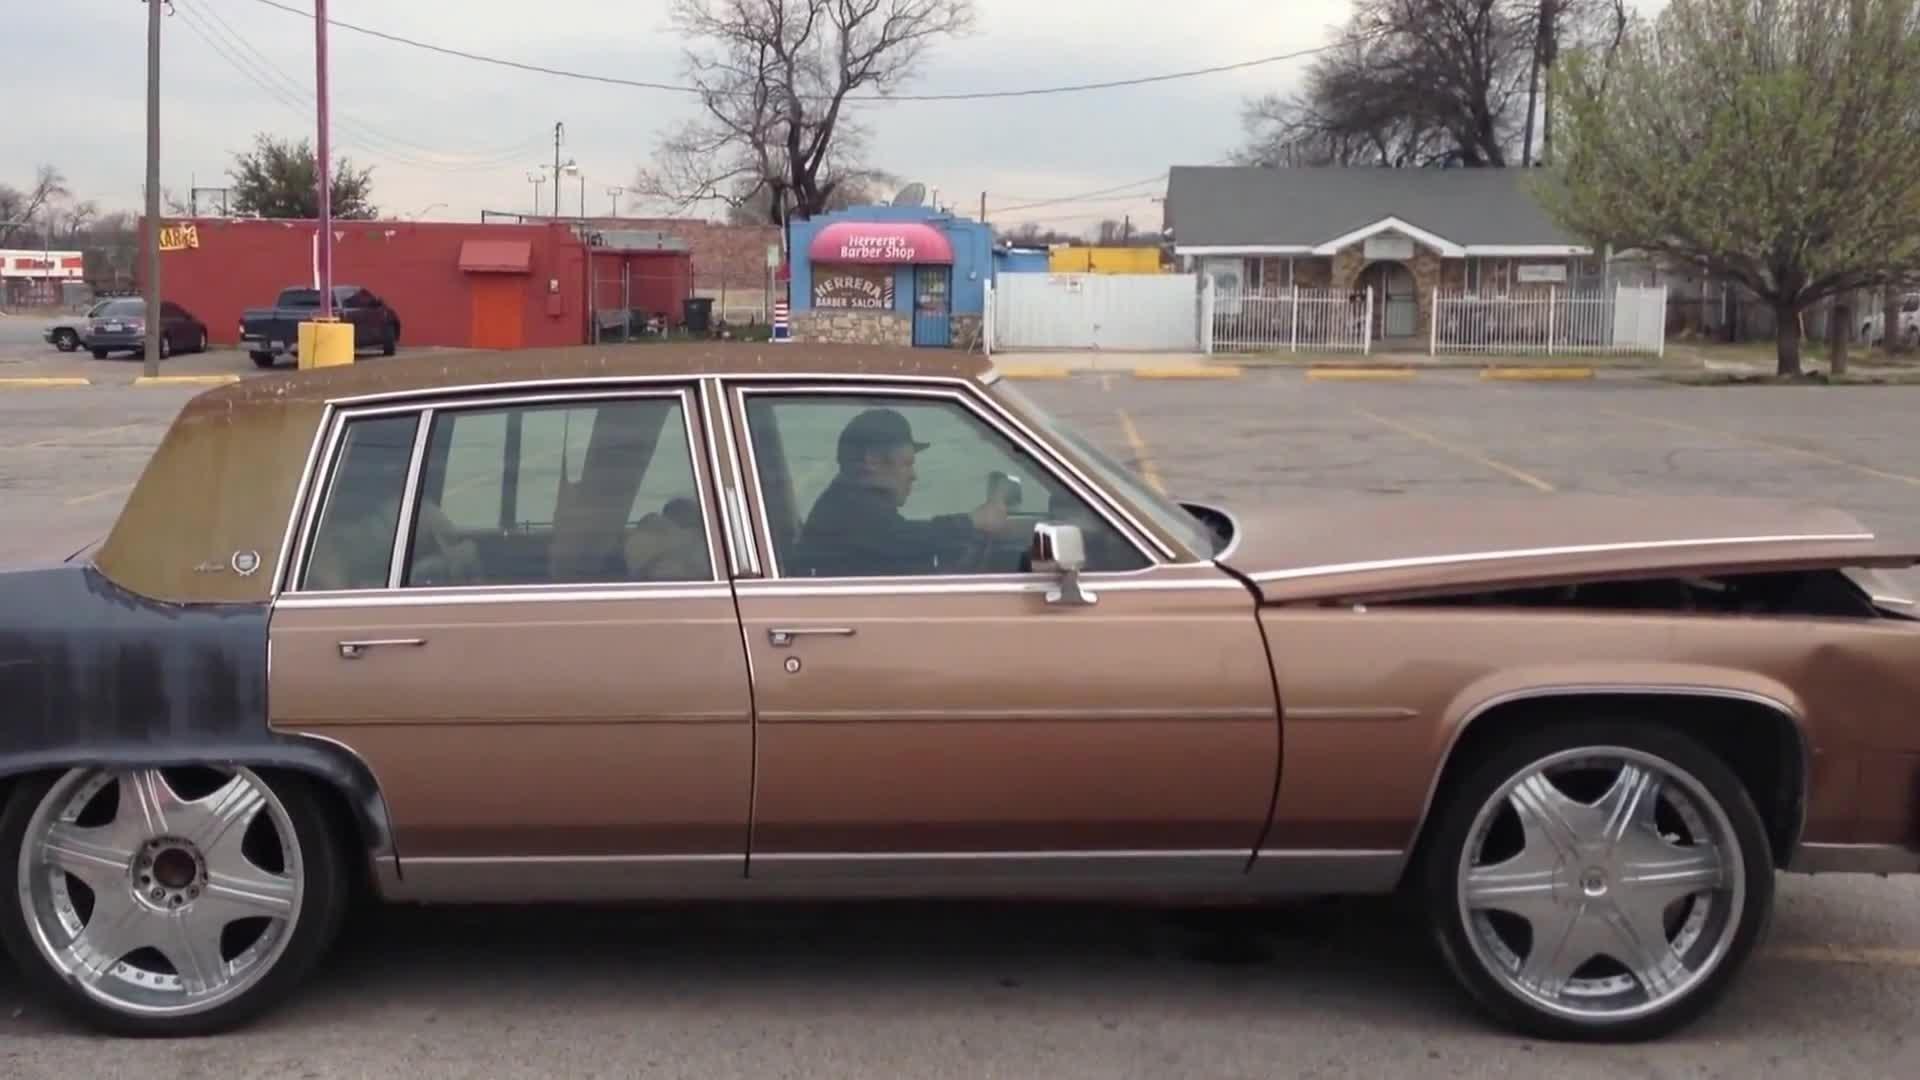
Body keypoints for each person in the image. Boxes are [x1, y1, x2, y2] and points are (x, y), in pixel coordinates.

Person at [791, 408, 1013, 577]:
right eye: (906, 464)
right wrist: (974, 521)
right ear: (872, 461)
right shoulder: (850, 513)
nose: (913, 476)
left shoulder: (849, 503)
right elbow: (905, 538)